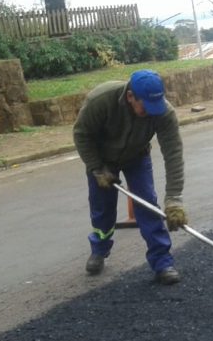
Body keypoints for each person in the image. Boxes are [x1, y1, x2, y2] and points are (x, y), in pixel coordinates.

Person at [73, 69, 188, 285]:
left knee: (147, 205)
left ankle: (162, 262)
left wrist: (174, 199)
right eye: (145, 106)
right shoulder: (101, 100)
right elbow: (81, 134)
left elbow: (173, 154)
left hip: (136, 157)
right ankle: (99, 249)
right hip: (101, 159)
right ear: (130, 97)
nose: (151, 112)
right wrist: (97, 168)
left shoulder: (163, 112)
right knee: (102, 209)